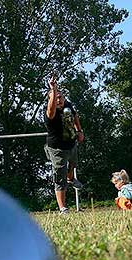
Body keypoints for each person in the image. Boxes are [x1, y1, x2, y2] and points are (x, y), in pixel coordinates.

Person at [44, 76, 84, 214]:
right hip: (57, 149)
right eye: (56, 98)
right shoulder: (50, 113)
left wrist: (79, 130)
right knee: (59, 178)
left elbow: (75, 115)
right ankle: (63, 208)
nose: (59, 100)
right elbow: (51, 108)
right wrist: (53, 90)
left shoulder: (68, 105)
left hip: (71, 144)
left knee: (74, 163)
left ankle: (71, 178)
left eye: (60, 97)